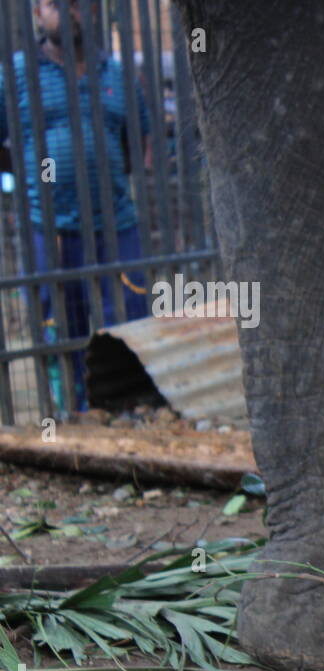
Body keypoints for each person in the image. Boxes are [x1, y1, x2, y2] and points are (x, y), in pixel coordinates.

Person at [0, 0, 153, 413]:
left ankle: (127, 411)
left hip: (116, 224)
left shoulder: (119, 74)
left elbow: (138, 143)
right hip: (48, 226)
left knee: (127, 319)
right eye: (55, 3)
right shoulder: (15, 75)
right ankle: (72, 413)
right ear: (36, 13)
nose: (69, 10)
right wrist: (32, 173)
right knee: (59, 325)